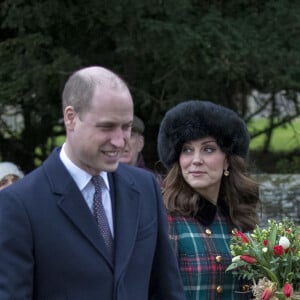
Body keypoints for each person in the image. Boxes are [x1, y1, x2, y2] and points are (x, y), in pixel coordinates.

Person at [0, 66, 186, 300]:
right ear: (71, 118)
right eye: (106, 127)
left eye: (126, 127)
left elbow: (166, 288)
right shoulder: (19, 204)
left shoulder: (145, 187)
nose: (120, 141)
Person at [157, 100, 260, 300]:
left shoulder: (241, 218)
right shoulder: (164, 217)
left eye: (208, 149)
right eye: (187, 149)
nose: (196, 159)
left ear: (227, 160)